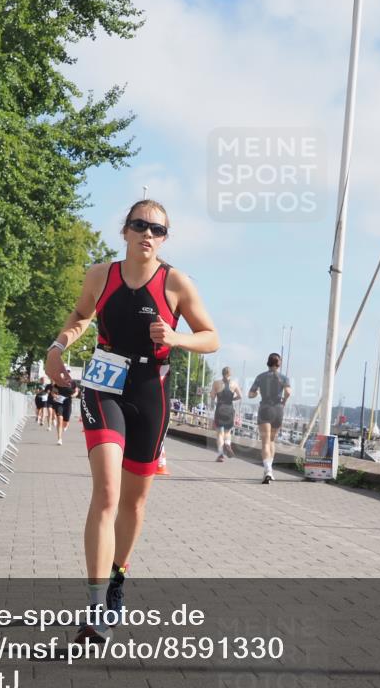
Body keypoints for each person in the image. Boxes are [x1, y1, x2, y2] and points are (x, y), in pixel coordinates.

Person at [45, 199, 219, 643]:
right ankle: (94, 606)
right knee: (107, 492)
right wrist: (57, 347)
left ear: (165, 239)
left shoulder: (176, 282)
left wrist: (176, 337)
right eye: (140, 225)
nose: (148, 234)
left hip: (149, 389)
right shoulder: (99, 275)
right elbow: (81, 315)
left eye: (157, 230)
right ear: (124, 230)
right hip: (105, 383)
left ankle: (117, 577)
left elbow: (211, 337)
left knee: (134, 504)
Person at [249, 353, 291, 484]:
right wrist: (284, 401)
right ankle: (269, 471)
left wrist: (256, 393)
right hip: (278, 410)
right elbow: (288, 392)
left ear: (268, 362)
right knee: (272, 441)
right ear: (279, 364)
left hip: (265, 409)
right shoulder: (284, 378)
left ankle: (268, 470)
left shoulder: (260, 377)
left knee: (265, 442)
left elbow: (250, 394)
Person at [210, 366, 241, 462]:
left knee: (220, 433)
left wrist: (212, 404)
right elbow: (240, 396)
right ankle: (227, 443)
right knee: (227, 432)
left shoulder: (216, 383)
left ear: (222, 373)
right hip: (229, 409)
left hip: (220, 408)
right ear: (230, 374)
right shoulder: (234, 384)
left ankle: (220, 455)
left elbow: (212, 396)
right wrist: (232, 399)